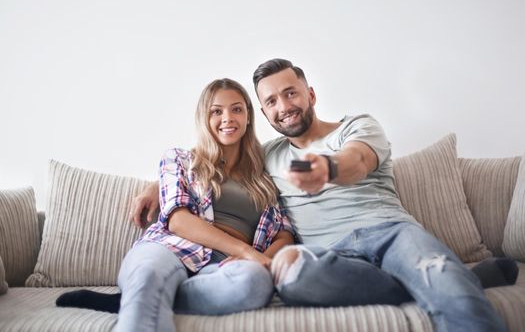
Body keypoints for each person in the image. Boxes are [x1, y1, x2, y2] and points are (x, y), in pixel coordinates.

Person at [132, 59, 516, 332]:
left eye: (290, 93)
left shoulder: (356, 126)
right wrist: (157, 184)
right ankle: (459, 279)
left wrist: (327, 169)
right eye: (271, 101)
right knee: (289, 272)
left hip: (390, 232)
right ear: (263, 114)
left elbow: (358, 160)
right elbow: (213, 158)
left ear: (310, 94)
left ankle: (441, 279)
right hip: (327, 255)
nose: (283, 107)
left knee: (434, 268)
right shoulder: (267, 156)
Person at [56, 78, 295, 332]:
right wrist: (247, 252)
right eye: (216, 111)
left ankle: (136, 298)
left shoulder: (264, 177)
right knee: (149, 275)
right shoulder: (180, 160)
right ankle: (144, 292)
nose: (227, 118)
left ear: (249, 116)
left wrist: (258, 261)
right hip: (170, 249)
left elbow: (284, 234)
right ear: (204, 118)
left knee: (256, 284)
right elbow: (178, 220)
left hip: (223, 269)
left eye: (236, 109)